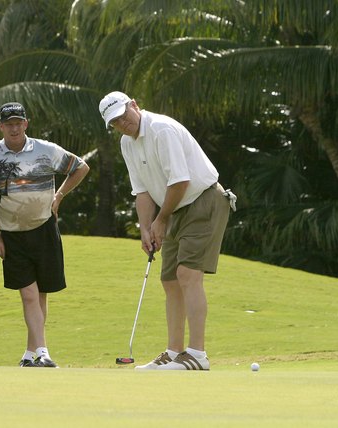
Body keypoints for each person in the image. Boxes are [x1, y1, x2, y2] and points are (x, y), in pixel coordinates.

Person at [99, 91, 235, 370]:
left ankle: (197, 355)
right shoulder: (127, 143)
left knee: (187, 275)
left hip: (203, 200)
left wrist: (160, 221)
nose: (123, 123)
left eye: (124, 115)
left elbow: (180, 182)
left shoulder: (162, 130)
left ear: (134, 105)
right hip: (174, 209)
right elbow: (142, 191)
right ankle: (174, 353)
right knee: (170, 280)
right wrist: (145, 229)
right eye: (115, 122)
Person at [0, 102, 89, 368]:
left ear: (26, 124)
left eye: (19, 122)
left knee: (40, 295)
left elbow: (81, 167)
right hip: (12, 233)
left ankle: (30, 354)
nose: (14, 128)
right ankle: (43, 352)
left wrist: (59, 195)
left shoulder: (45, 149)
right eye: (9, 124)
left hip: (44, 228)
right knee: (29, 295)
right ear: (1, 127)